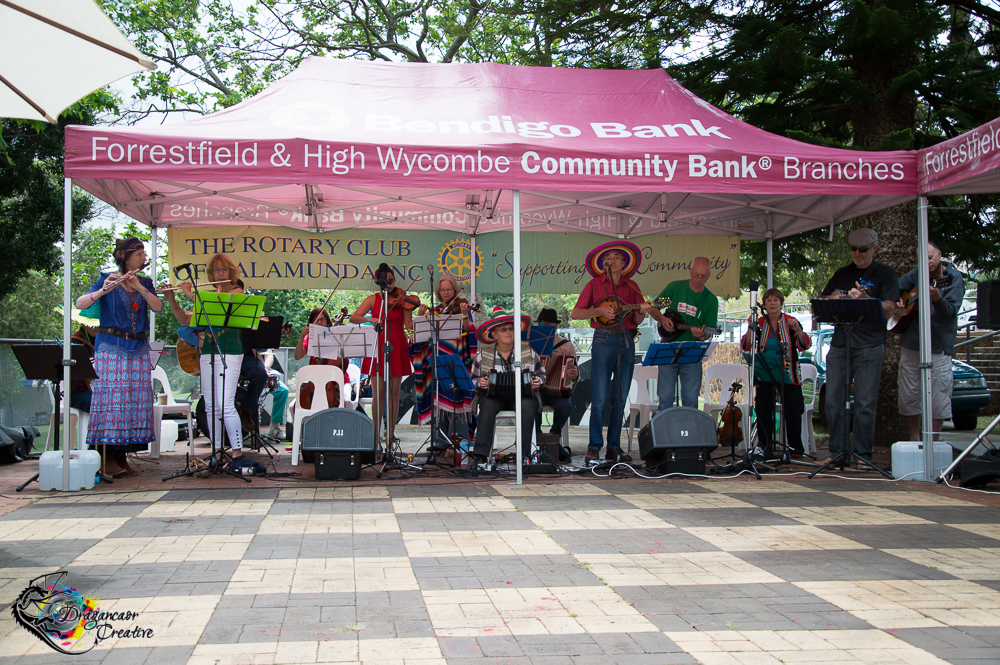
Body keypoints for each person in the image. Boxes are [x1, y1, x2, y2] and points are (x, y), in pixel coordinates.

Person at [74, 237, 162, 477]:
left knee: (133, 403)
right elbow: (80, 303)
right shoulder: (107, 278)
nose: (144, 258)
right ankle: (104, 457)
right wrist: (106, 289)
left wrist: (141, 288)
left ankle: (122, 456)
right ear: (125, 257)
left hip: (138, 346)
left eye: (144, 254)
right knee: (112, 403)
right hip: (112, 346)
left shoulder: (145, 282)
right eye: (139, 254)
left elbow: (158, 307)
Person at [819, 228, 899, 465]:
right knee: (833, 402)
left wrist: (867, 301)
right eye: (853, 249)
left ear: (874, 248)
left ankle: (863, 455)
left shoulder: (885, 274)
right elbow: (822, 302)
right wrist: (834, 298)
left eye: (862, 249)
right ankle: (838, 454)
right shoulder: (843, 273)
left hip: (870, 345)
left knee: (864, 404)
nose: (857, 253)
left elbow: (890, 309)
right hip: (841, 343)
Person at [571, 241, 653, 464]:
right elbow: (576, 313)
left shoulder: (632, 286)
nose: (613, 260)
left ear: (624, 263)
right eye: (609, 257)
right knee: (599, 397)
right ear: (603, 264)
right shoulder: (594, 284)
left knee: (620, 397)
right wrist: (599, 310)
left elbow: (636, 319)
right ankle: (594, 447)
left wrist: (643, 312)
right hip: (603, 339)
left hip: (626, 341)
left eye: (617, 257)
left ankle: (614, 448)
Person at [179, 252, 246, 459]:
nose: (219, 274)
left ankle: (236, 452)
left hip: (230, 351)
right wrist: (174, 297)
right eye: (216, 270)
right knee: (210, 406)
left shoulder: (237, 291)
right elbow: (188, 323)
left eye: (223, 270)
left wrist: (192, 295)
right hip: (208, 351)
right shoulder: (209, 294)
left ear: (231, 272)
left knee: (225, 404)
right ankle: (216, 452)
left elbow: (223, 310)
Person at [896, 240, 964, 440]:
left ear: (940, 254)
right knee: (909, 393)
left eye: (930, 257)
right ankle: (914, 438)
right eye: (922, 258)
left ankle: (933, 442)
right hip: (912, 342)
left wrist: (937, 298)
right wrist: (898, 298)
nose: (927, 262)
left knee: (938, 395)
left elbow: (950, 312)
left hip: (939, 345)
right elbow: (896, 287)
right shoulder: (917, 274)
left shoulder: (953, 279)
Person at [740, 288, 812, 457]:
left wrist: (798, 330)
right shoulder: (760, 322)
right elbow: (746, 345)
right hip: (766, 371)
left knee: (793, 407)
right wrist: (751, 327)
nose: (773, 303)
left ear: (781, 303)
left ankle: (795, 448)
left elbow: (804, 345)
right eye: (769, 300)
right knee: (763, 407)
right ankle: (765, 447)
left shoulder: (790, 321)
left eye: (776, 300)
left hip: (788, 373)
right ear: (764, 304)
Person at [470, 307, 545, 466]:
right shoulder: (484, 353)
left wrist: (538, 381)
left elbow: (541, 373)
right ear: (494, 334)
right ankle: (480, 457)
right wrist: (480, 383)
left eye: (511, 328)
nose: (508, 332)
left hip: (522, 395)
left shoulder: (527, 349)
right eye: (503, 329)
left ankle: (524, 456)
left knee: (527, 405)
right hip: (494, 396)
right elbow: (473, 379)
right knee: (487, 406)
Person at [350, 263, 415, 446]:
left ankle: (391, 433)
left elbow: (408, 325)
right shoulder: (373, 299)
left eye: (392, 280)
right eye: (387, 280)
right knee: (378, 393)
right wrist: (370, 319)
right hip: (377, 343)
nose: (391, 283)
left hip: (397, 342)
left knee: (394, 393)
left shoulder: (401, 298)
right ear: (380, 282)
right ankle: (376, 433)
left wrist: (421, 314)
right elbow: (353, 317)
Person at [412, 275, 477, 446]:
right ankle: (439, 441)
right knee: (437, 396)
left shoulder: (462, 308)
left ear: (455, 290)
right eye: (442, 289)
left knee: (457, 395)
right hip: (437, 360)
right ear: (438, 292)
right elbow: (419, 334)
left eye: (449, 289)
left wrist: (464, 313)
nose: (446, 292)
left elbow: (469, 331)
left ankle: (459, 439)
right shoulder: (434, 312)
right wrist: (420, 314)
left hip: (457, 359)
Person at [650, 257, 719, 410]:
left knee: (690, 399)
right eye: (696, 275)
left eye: (703, 276)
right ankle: (664, 432)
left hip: (692, 350)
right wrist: (662, 318)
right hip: (668, 345)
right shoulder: (675, 288)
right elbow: (653, 308)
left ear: (709, 275)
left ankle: (689, 431)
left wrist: (701, 335)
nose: (699, 279)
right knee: (665, 396)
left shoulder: (710, 300)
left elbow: (708, 332)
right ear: (690, 272)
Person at [532, 308, 579, 440]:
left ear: (556, 326)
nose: (544, 328)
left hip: (557, 391)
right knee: (531, 404)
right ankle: (537, 437)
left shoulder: (566, 345)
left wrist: (574, 374)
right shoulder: (531, 344)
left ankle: (554, 437)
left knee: (565, 407)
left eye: (548, 325)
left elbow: (576, 371)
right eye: (542, 324)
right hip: (536, 389)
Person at [294, 307, 345, 410]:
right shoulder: (309, 338)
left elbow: (344, 364)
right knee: (297, 406)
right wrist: (301, 337)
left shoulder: (337, 337)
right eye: (317, 320)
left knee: (345, 401)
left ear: (328, 321)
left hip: (335, 382)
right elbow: (298, 356)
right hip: (314, 382)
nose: (320, 322)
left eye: (323, 319)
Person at [68, 304, 101, 414]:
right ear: (83, 323)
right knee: (99, 402)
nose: (95, 327)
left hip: (99, 389)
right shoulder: (75, 343)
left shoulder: (102, 340)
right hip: (77, 392)